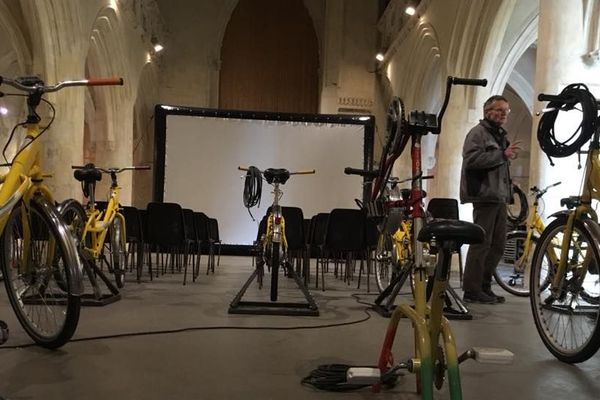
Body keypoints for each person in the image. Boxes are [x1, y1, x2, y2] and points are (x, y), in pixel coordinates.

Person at [459, 95, 520, 304]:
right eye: (500, 110)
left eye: (506, 110)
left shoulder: (499, 135)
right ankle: (471, 290)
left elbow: (499, 166)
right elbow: (472, 160)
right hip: (484, 197)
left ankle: (484, 286)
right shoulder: (478, 134)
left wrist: (510, 185)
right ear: (488, 112)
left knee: (498, 245)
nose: (504, 114)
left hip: (499, 197)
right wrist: (502, 155)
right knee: (481, 244)